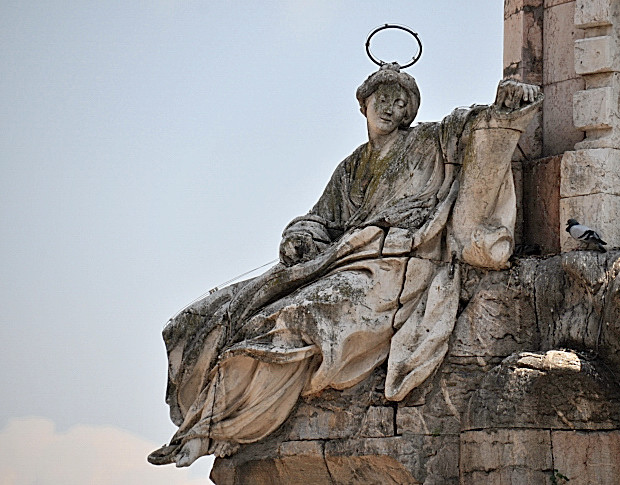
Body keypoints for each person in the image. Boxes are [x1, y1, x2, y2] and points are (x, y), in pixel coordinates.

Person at [149, 63, 541, 467]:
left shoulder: (428, 141)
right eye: (382, 99)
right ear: (364, 105)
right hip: (341, 261)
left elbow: (467, 128)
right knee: (214, 314)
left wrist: (502, 109)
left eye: (400, 103)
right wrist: (300, 235)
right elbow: (319, 218)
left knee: (297, 321)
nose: (389, 108)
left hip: (397, 264)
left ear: (409, 113)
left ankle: (214, 427)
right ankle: (206, 422)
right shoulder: (351, 167)